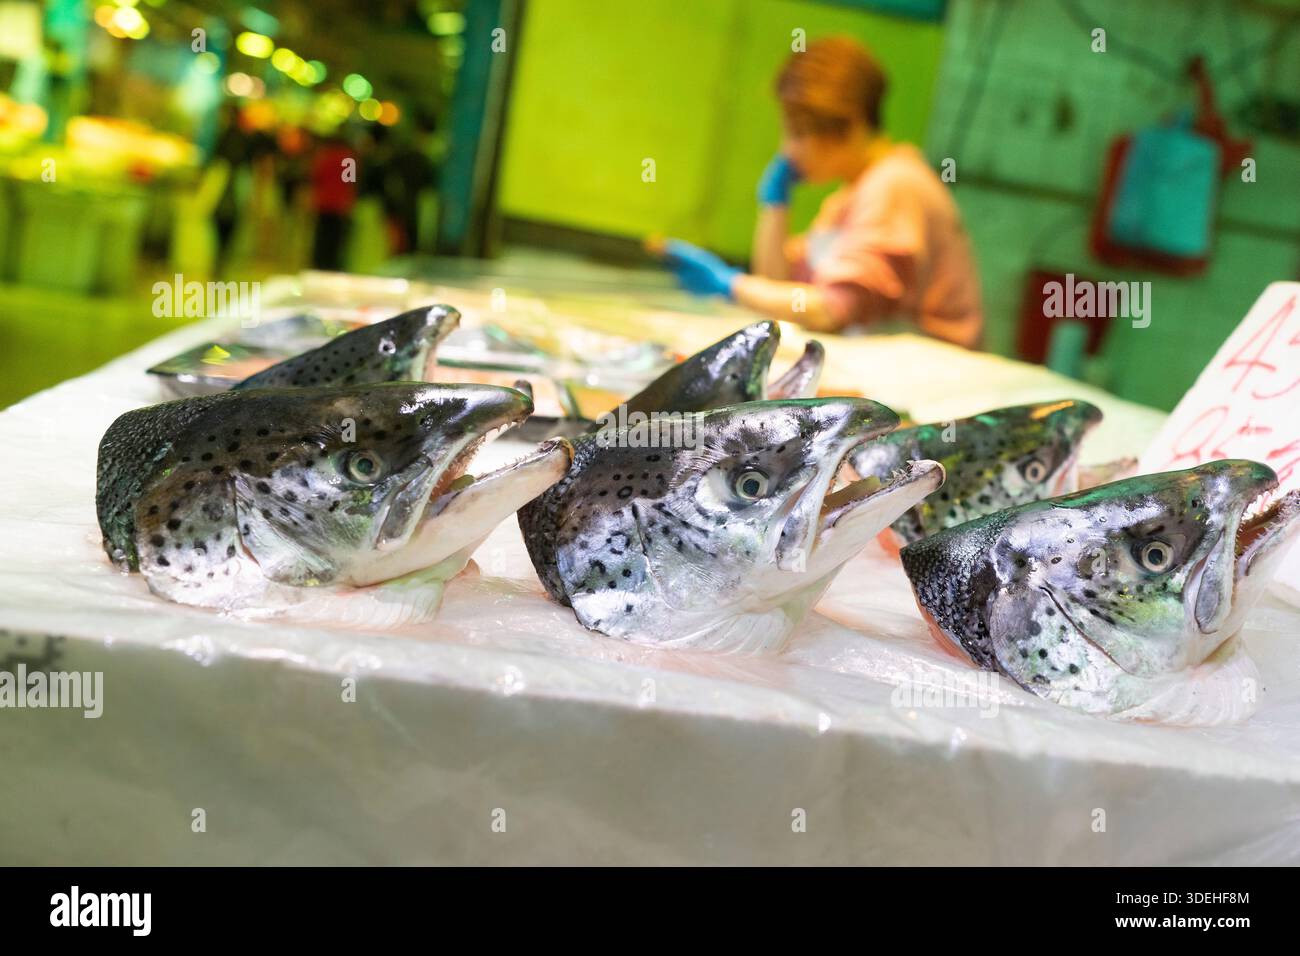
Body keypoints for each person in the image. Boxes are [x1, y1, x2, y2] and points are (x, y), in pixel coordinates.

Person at [662, 36, 983, 348]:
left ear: (849, 125)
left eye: (800, 133)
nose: (788, 151)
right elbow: (784, 285)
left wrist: (730, 285)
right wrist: (774, 204)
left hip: (933, 374)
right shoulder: (850, 194)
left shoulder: (895, 185)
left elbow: (831, 310)